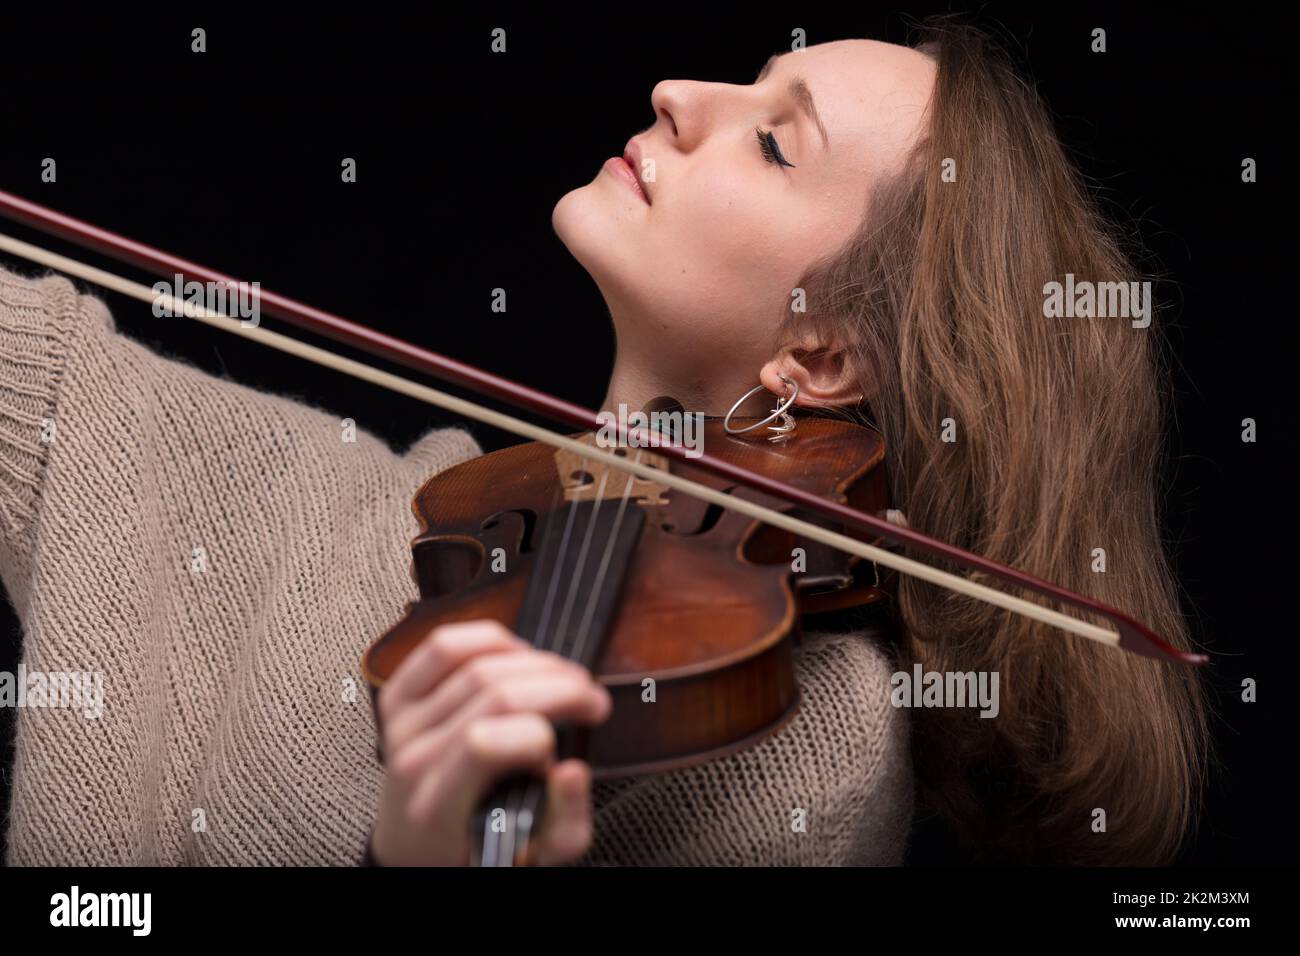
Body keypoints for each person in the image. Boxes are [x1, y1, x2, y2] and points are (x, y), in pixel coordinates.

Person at [0, 18, 1207, 867]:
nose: (681, 94)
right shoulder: (414, 509)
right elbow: (47, 370)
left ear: (823, 358)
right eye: (748, 84)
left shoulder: (805, 738)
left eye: (775, 141)